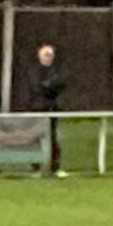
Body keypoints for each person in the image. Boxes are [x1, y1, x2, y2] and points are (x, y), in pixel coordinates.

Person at [29, 42, 65, 176]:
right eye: (45, 55)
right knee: (36, 138)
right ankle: (36, 168)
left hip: (53, 109)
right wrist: (50, 85)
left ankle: (55, 168)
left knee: (53, 138)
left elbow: (61, 84)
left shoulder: (57, 70)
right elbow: (37, 87)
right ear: (39, 56)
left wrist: (49, 85)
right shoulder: (34, 71)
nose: (48, 57)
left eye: (50, 55)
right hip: (37, 109)